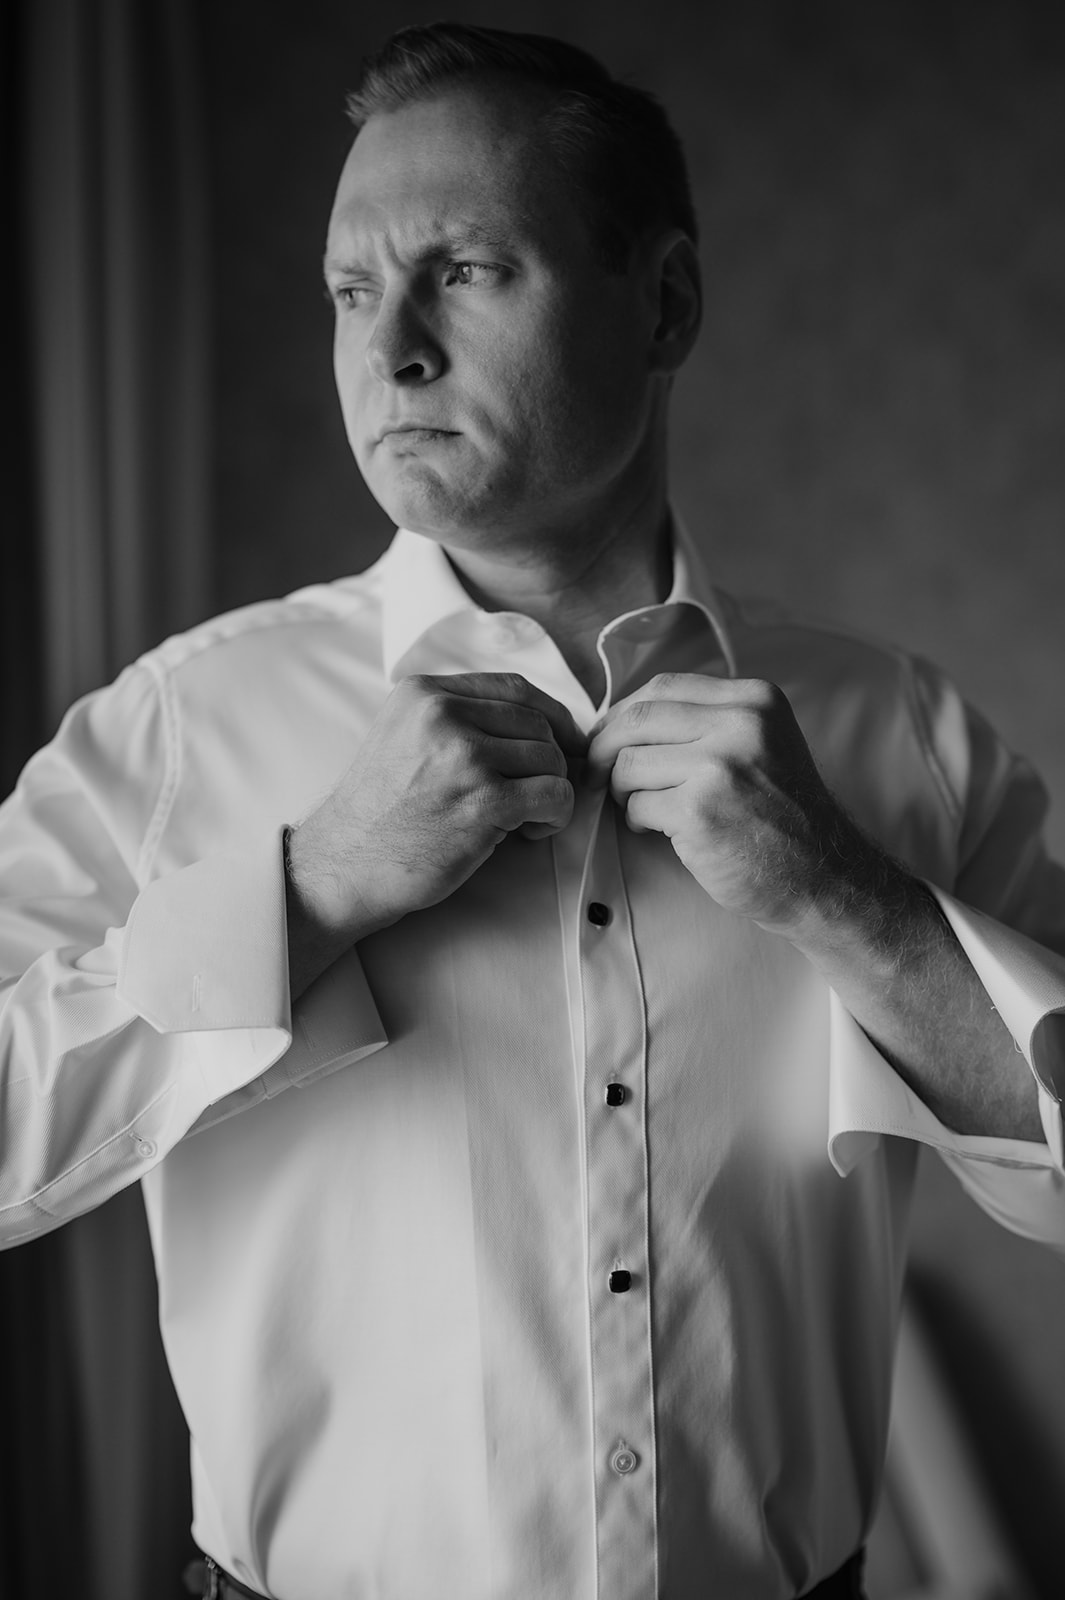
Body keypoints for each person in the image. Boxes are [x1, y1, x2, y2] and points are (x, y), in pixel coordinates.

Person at [2, 20, 1064, 1600]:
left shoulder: (893, 733)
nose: (392, 350)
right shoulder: (176, 727)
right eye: (351, 294)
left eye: (466, 270)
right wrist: (305, 898)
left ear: (667, 302)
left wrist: (851, 905)